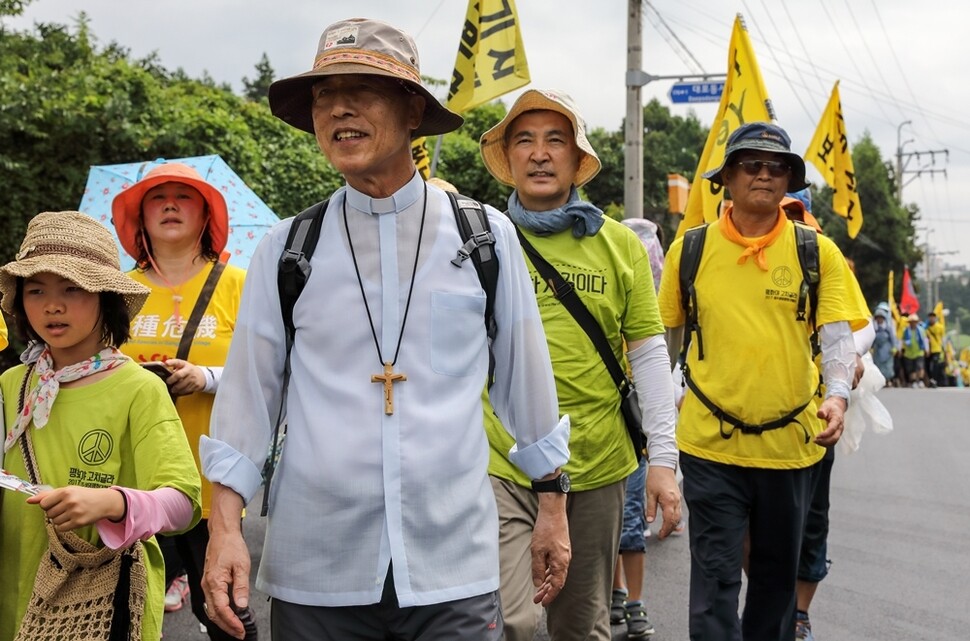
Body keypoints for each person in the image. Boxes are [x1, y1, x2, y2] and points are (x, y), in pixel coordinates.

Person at [199, 18, 571, 641]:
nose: (338, 108)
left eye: (362, 89)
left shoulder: (482, 239)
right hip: (317, 567)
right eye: (323, 94)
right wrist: (225, 530)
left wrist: (552, 506)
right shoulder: (288, 249)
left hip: (453, 563)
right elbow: (247, 403)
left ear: (411, 109)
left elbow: (526, 385)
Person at [479, 89, 681, 641]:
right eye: (525, 140)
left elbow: (648, 354)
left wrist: (662, 461)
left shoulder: (620, 246)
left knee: (578, 625)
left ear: (577, 159)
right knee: (507, 621)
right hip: (502, 463)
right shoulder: (481, 243)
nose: (540, 154)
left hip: (597, 465)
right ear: (509, 158)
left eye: (555, 141)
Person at [657, 122, 869, 641]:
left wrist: (837, 398)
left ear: (788, 181)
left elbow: (840, 342)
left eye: (777, 168)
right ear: (727, 177)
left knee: (775, 587)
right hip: (709, 446)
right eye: (751, 165)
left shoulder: (816, 252)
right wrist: (657, 440)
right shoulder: (690, 251)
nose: (764, 175)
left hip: (791, 447)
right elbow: (661, 346)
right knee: (714, 585)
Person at [0, 211, 202, 641]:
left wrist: (112, 503)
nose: (52, 305)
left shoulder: (139, 389)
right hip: (13, 600)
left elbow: (183, 503)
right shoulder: (10, 385)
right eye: (35, 290)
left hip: (99, 606)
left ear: (106, 297)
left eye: (73, 288)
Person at [110, 162, 247, 637]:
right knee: (121, 608)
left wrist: (206, 377)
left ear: (206, 215)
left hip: (210, 481)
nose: (169, 204)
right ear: (140, 217)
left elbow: (273, 373)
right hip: (131, 477)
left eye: (183, 197)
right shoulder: (115, 291)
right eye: (156, 197)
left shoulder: (239, 284)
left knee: (224, 613)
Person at [901, 313, 928, 387]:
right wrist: (901, 349)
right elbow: (902, 340)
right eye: (911, 322)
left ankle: (921, 380)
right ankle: (913, 381)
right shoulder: (906, 330)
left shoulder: (921, 330)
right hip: (909, 353)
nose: (913, 323)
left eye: (914, 322)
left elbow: (925, 340)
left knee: (920, 366)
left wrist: (926, 349)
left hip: (919, 352)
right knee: (911, 368)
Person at [871, 305, 897, 384]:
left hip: (887, 350)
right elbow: (871, 338)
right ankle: (880, 382)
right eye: (878, 317)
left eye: (881, 317)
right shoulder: (874, 328)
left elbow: (893, 338)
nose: (879, 319)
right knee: (878, 366)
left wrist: (894, 347)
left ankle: (888, 380)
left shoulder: (888, 327)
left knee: (887, 366)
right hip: (877, 350)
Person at [925, 311, 944, 387]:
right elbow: (925, 339)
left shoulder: (940, 327)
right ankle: (931, 379)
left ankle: (934, 380)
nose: (931, 318)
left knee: (935, 365)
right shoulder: (925, 327)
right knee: (927, 365)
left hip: (937, 349)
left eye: (933, 317)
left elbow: (942, 337)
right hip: (928, 349)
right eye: (930, 317)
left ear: (935, 318)